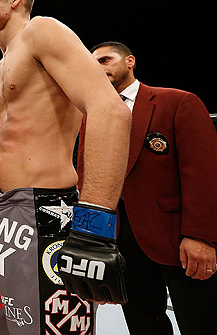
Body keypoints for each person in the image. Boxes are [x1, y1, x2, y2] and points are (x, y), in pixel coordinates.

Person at [0, 0, 132, 334]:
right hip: (1, 213)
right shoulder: (1, 66)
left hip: (46, 212)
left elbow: (111, 111)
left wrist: (95, 228)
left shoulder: (41, 31)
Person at [81, 41, 217, 334]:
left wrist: (200, 236)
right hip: (120, 243)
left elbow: (204, 174)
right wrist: (91, 245)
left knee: (202, 321)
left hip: (177, 237)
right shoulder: (89, 115)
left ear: (130, 61)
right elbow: (86, 180)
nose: (98, 67)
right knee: (143, 324)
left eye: (105, 59)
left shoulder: (177, 102)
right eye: (92, 63)